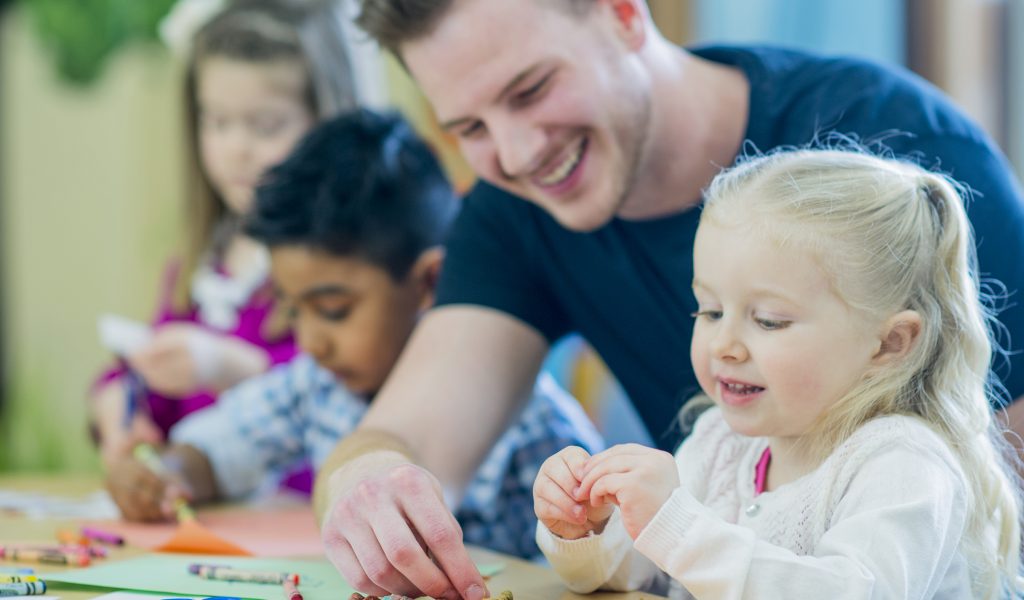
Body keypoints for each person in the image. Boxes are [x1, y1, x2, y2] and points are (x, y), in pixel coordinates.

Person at [316, 1, 1024, 597]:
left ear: (623, 12)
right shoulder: (516, 207)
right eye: (468, 129)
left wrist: (681, 526)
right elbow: (403, 436)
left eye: (530, 90)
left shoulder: (904, 157)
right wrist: (372, 490)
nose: (515, 151)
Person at [103, 110, 603, 560]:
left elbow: (605, 558)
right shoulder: (316, 386)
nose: (312, 341)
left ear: (430, 282)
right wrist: (166, 475)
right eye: (293, 310)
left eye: (333, 310)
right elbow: (222, 448)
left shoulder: (534, 424)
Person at [534, 149, 1023, 599]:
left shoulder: (904, 466)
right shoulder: (720, 442)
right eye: (709, 311)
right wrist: (587, 530)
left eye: (768, 320)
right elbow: (635, 577)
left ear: (889, 344)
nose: (724, 344)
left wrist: (677, 525)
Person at [89, 0, 359, 483]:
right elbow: (160, 391)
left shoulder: (351, 266)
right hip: (214, 521)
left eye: (266, 125)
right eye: (217, 122)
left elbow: (351, 407)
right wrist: (121, 408)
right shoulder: (202, 263)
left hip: (308, 523)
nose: (237, 148)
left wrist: (231, 367)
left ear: (327, 123)